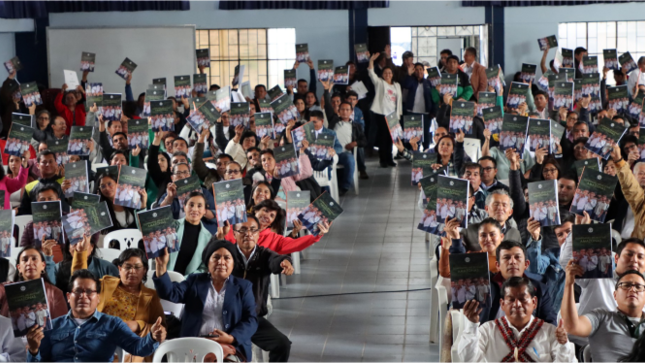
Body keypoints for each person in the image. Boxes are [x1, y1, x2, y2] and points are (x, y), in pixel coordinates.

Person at [26, 269, 166, 363]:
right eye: (78, 291)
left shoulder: (112, 323)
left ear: (98, 298)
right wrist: (33, 350)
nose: (83, 297)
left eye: (89, 292)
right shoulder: (52, 326)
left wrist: (152, 337)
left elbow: (138, 347)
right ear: (68, 297)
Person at [153, 239, 257, 361]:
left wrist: (231, 338)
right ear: (208, 262)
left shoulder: (243, 287)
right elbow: (170, 293)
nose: (221, 262)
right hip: (194, 342)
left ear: (233, 263)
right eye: (216, 257)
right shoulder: (195, 281)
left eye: (227, 258)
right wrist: (161, 266)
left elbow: (251, 320)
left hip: (228, 345)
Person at [72, 244, 165, 363]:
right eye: (127, 267)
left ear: (144, 270)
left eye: (137, 267)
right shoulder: (106, 284)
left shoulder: (151, 296)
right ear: (119, 269)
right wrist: (80, 254)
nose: (132, 271)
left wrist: (138, 325)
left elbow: (161, 328)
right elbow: (81, 282)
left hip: (130, 351)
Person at [458, 276, 575, 363]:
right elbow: (467, 360)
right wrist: (472, 325)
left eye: (523, 299)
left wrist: (564, 345)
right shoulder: (488, 330)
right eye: (511, 299)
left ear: (534, 302)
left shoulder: (550, 332)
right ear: (502, 304)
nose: (517, 304)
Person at [232, 217, 293, 363]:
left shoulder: (264, 254)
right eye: (243, 230)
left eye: (253, 230)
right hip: (227, 318)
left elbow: (276, 261)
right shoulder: (227, 254)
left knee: (282, 344)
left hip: (252, 318)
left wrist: (285, 262)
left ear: (259, 234)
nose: (248, 234)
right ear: (234, 234)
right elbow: (208, 256)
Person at [562, 267, 645, 362]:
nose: (632, 289)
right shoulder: (601, 317)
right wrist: (569, 284)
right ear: (615, 295)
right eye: (626, 285)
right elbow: (571, 326)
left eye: (638, 287)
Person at [222, 199, 331, 255]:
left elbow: (295, 244)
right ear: (256, 210)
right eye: (265, 210)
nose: (267, 216)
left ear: (272, 222)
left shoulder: (273, 238)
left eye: (272, 216)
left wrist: (316, 235)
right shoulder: (233, 226)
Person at [0, 247, 68, 319]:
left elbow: (61, 325)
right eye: (25, 260)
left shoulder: (55, 293)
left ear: (43, 265)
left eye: (34, 259)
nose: (29, 263)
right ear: (19, 268)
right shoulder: (6, 289)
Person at [157, 163, 217, 234]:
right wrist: (170, 198)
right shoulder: (168, 194)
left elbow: (217, 214)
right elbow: (159, 218)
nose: (182, 176)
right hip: (179, 232)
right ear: (172, 178)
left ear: (190, 175)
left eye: (185, 172)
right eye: (178, 173)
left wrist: (200, 209)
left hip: (203, 230)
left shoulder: (203, 192)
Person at [164, 191, 213, 276]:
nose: (195, 209)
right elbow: (147, 230)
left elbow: (203, 267)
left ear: (205, 211)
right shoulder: (172, 226)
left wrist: (185, 280)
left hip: (188, 284)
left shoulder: (208, 237)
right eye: (191, 205)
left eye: (199, 206)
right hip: (165, 277)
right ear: (184, 207)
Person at [367, 51, 403, 168]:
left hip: (393, 114)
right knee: (383, 137)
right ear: (382, 75)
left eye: (389, 73)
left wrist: (399, 114)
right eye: (385, 73)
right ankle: (383, 160)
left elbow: (399, 101)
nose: (388, 74)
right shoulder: (380, 83)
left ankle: (389, 158)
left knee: (391, 138)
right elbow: (371, 73)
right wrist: (371, 60)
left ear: (392, 74)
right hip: (381, 114)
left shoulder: (397, 85)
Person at [18, 151, 68, 215]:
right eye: (44, 162)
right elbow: (24, 211)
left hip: (63, 222)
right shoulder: (29, 187)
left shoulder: (66, 182)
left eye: (50, 161)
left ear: (56, 164)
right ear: (38, 165)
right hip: (39, 223)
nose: (48, 164)